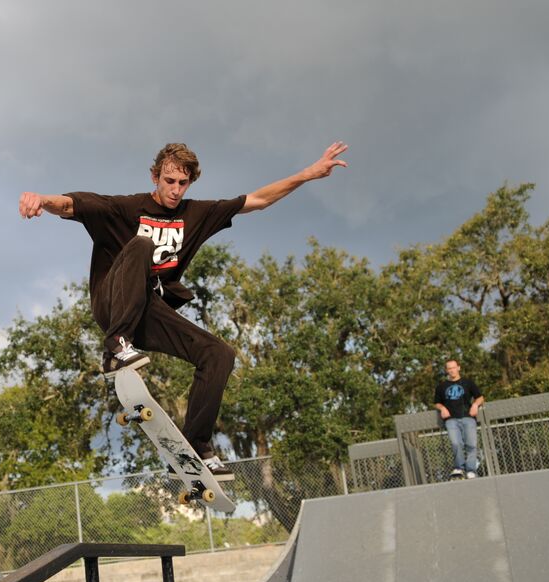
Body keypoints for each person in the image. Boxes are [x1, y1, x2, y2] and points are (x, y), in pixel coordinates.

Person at [19, 141, 348, 474]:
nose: (175, 190)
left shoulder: (196, 214)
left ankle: (196, 447)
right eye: (169, 181)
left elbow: (258, 200)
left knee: (218, 354)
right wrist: (41, 199)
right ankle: (115, 347)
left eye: (182, 183)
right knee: (142, 244)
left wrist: (308, 174)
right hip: (112, 304)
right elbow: (71, 205)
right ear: (155, 177)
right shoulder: (124, 208)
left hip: (148, 314)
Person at [434, 359, 485, 479]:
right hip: (451, 420)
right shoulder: (441, 386)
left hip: (468, 417)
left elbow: (480, 397)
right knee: (456, 443)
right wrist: (442, 408)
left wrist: (475, 405)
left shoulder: (468, 382)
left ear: (458, 368)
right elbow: (436, 403)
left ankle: (471, 470)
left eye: (454, 367)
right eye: (449, 368)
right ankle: (459, 468)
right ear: (446, 370)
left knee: (471, 445)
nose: (452, 370)